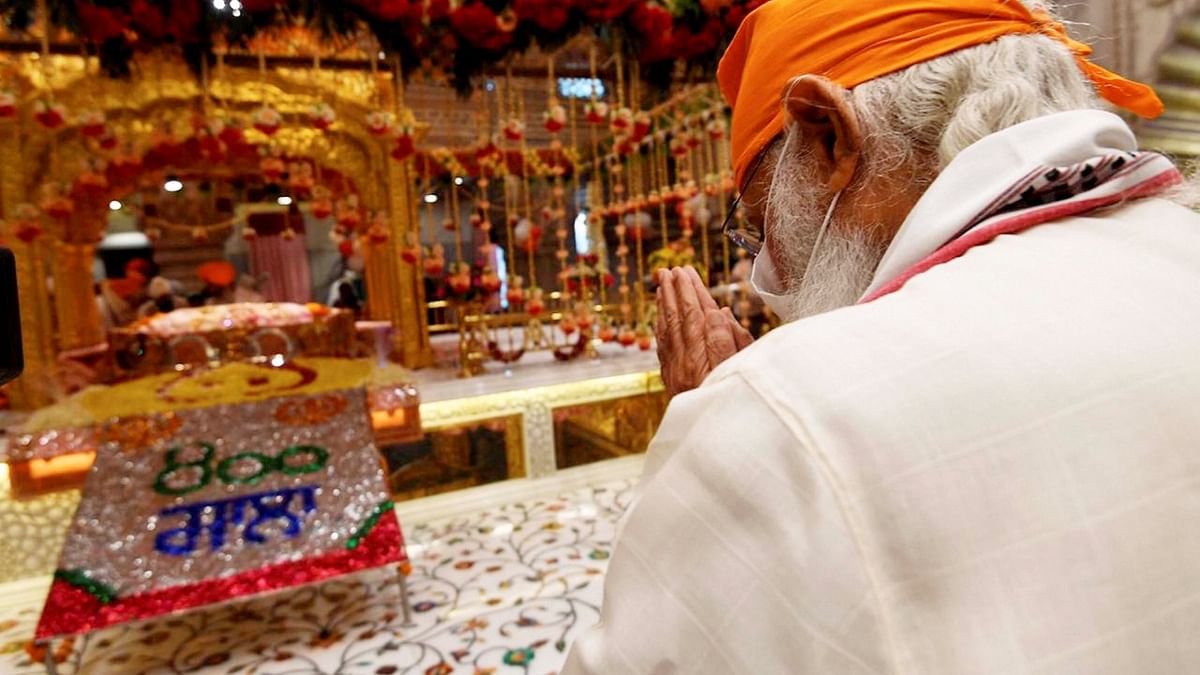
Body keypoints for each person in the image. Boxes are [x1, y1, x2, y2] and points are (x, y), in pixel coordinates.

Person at [565, 1, 1200, 673]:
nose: (766, 275)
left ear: (829, 134)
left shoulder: (791, 413)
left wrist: (724, 464)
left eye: (759, 225)